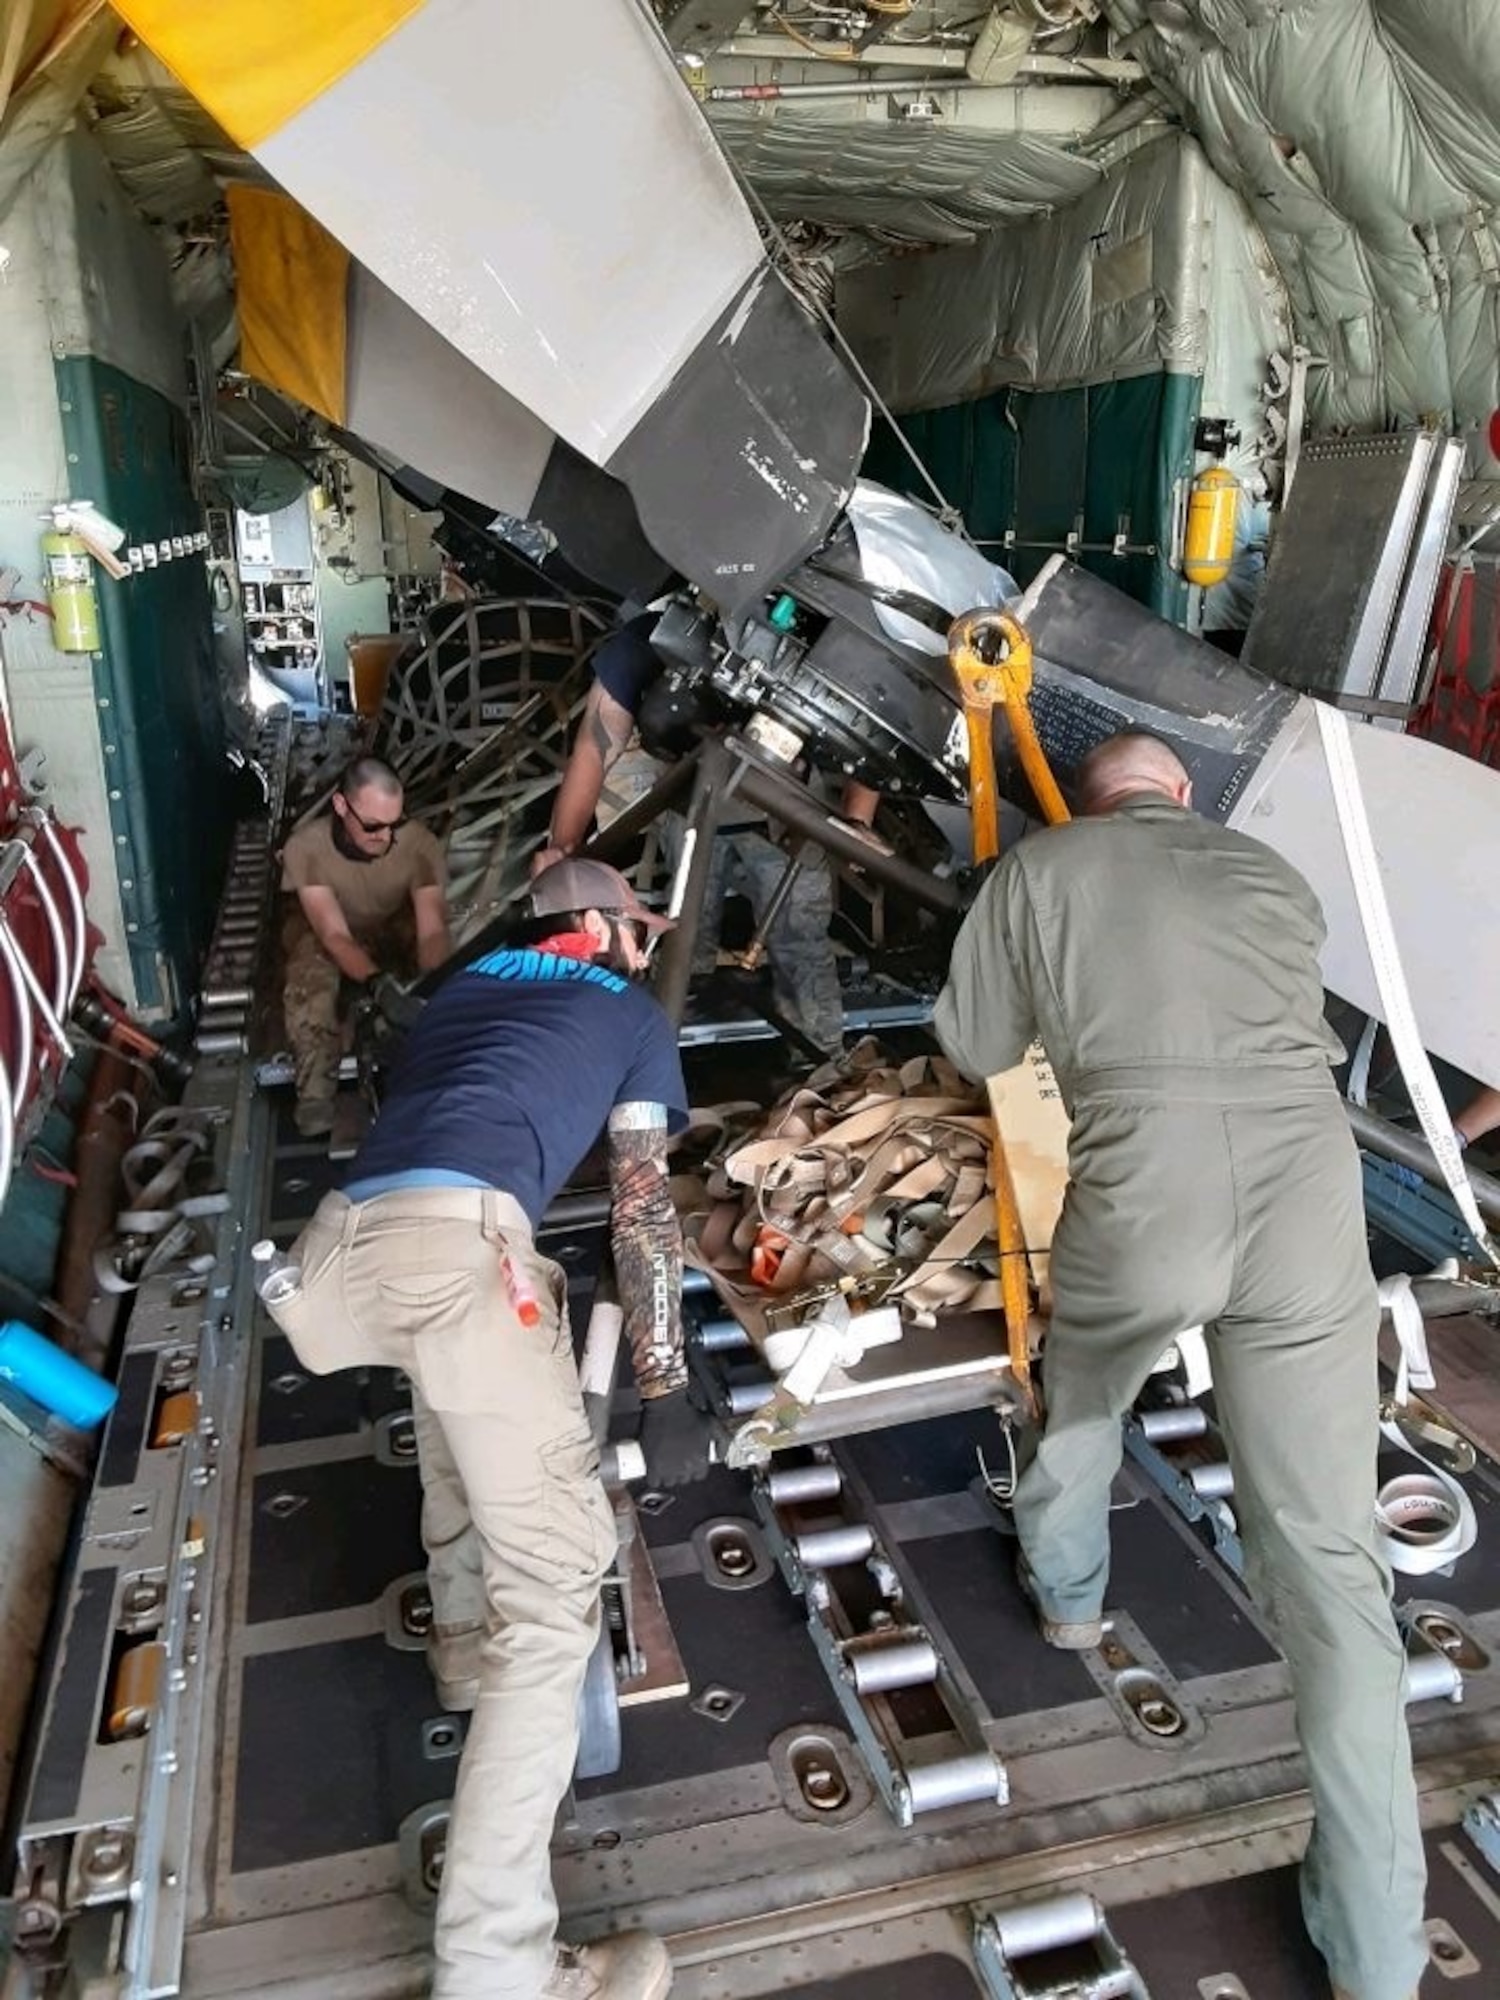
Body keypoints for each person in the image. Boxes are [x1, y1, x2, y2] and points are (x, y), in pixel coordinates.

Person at [933, 731, 1426, 2000]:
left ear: (1088, 801)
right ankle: (1377, 1950)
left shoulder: (1041, 872)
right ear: (1185, 796)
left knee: (1085, 1395)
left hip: (1147, 1195)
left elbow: (975, 1047)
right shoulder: (1270, 873)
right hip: (1312, 1193)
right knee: (1329, 1556)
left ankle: (1069, 1593)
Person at [266, 858, 708, 2000]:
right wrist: (663, 1384)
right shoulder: (630, 1009)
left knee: (458, 1391)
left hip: (338, 1255)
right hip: (458, 1254)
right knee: (559, 1593)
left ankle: (461, 1647)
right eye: (637, 926)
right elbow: (642, 1198)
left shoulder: (461, 989)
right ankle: (499, 1967)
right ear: (606, 927)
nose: (643, 943)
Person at [533, 612, 869, 1056]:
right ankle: (656, 1058)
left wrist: (856, 823)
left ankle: (821, 1070)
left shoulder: (811, 627)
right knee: (681, 945)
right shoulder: (652, 635)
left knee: (800, 945)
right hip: (694, 806)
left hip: (789, 815)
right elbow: (596, 745)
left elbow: (869, 719)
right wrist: (562, 848)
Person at [279, 756, 451, 1136]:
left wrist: (430, 994)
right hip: (328, 929)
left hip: (385, 925)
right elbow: (334, 935)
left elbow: (432, 930)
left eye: (395, 825)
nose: (385, 838)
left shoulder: (419, 844)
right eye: (373, 826)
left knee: (442, 962)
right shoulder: (305, 848)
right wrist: (378, 985)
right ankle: (314, 1090)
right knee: (310, 971)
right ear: (342, 806)